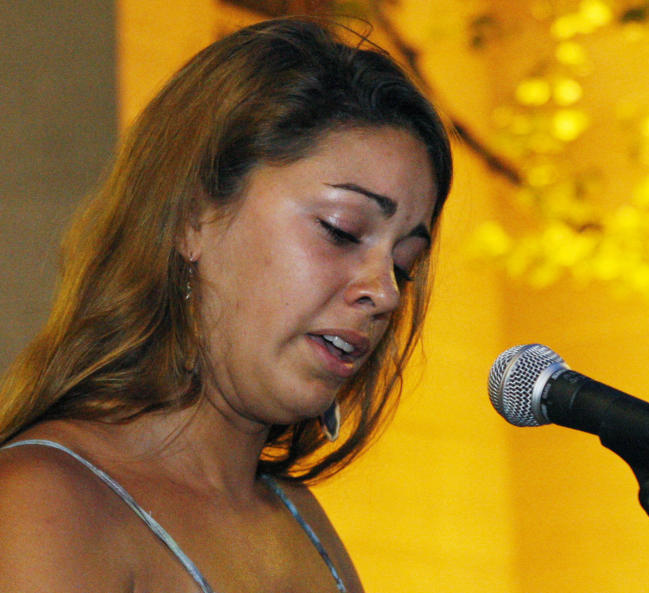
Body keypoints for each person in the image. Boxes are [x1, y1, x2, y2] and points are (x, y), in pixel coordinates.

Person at [0, 15, 452, 593]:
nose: (384, 292)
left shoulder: (299, 519)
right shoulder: (46, 505)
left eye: (403, 265)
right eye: (341, 230)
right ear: (193, 215)